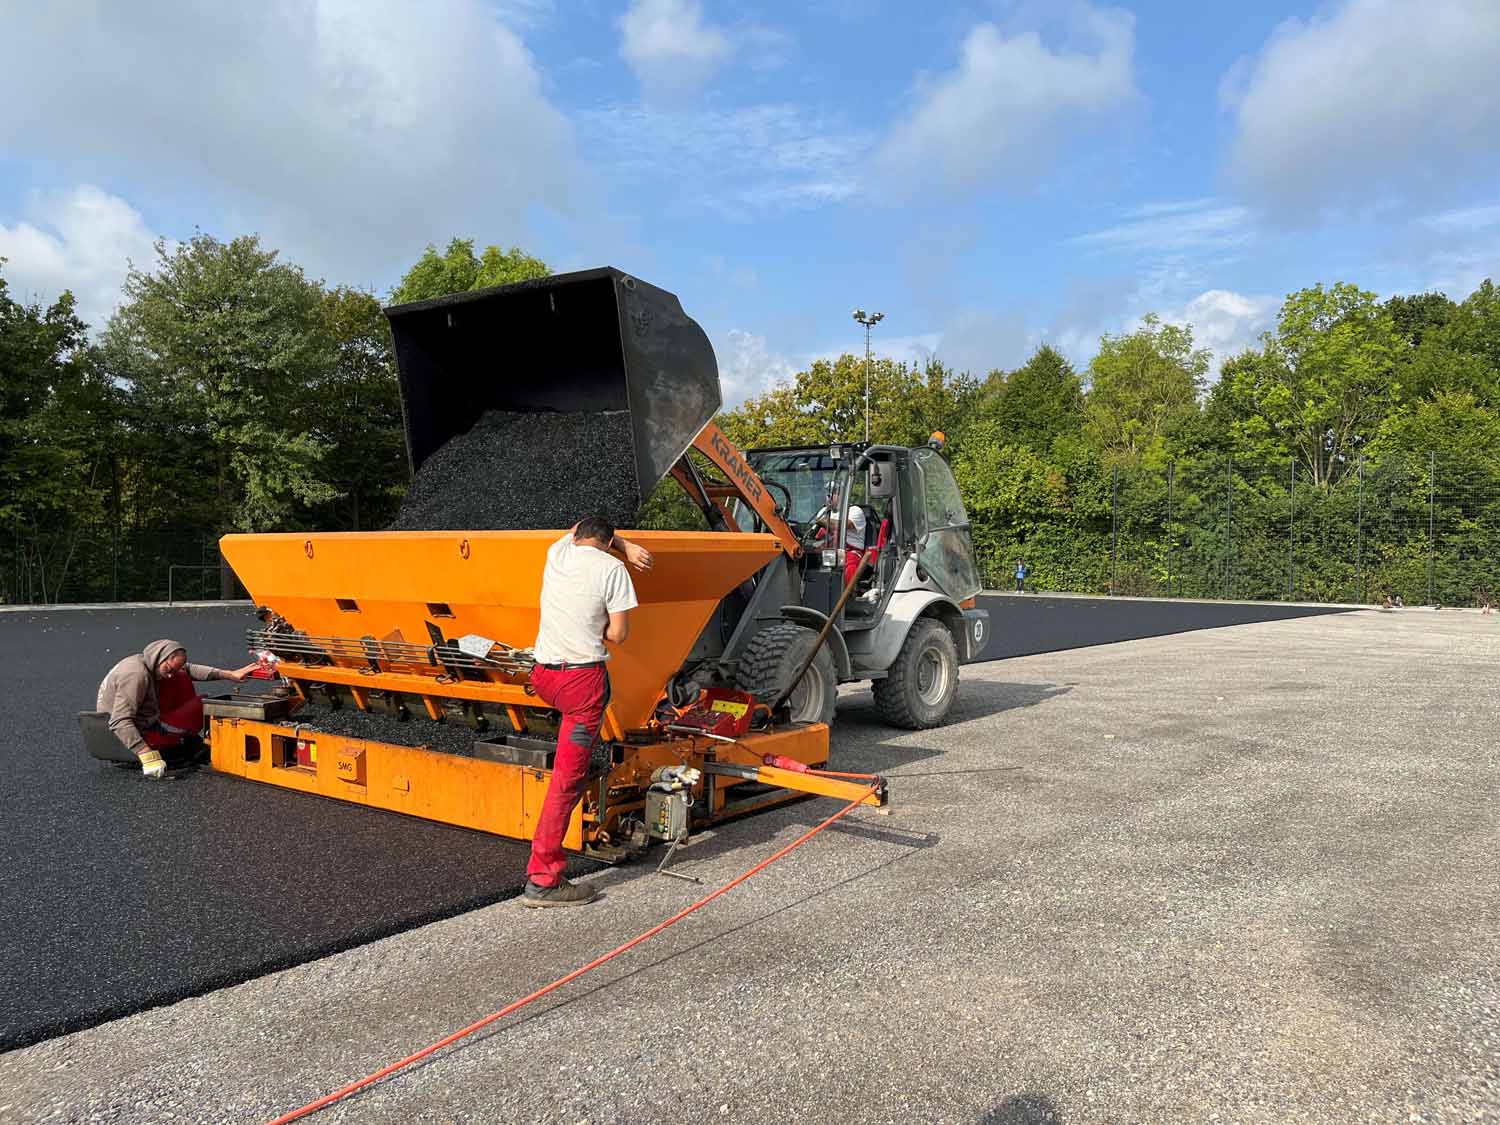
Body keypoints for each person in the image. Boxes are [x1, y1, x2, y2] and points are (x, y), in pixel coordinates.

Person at [523, 515, 653, 908]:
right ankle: (543, 880)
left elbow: (581, 524)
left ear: (577, 536)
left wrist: (622, 542)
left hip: (544, 677)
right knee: (566, 781)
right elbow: (619, 634)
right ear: (609, 541)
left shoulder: (556, 553)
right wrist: (627, 550)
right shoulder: (613, 570)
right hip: (582, 685)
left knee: (573, 762)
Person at [96, 640, 259, 779]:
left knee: (181, 677)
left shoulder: (149, 662)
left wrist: (231, 674)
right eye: (168, 670)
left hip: (140, 718)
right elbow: (119, 721)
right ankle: (169, 739)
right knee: (199, 704)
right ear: (160, 658)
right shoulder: (136, 676)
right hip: (123, 734)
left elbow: (188, 669)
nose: (169, 675)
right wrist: (147, 755)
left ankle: (176, 736)